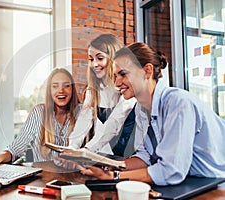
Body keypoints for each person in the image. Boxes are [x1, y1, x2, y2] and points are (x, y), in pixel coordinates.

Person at [78, 42, 225, 186]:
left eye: (123, 74)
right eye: (116, 76)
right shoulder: (141, 109)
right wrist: (114, 166)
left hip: (215, 184)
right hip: (190, 182)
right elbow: (145, 156)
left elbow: (171, 171)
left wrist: (113, 177)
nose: (117, 83)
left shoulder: (178, 103)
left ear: (147, 71)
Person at [0, 68, 80, 166]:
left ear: (72, 89)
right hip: (42, 179)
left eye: (66, 85)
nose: (61, 90)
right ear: (49, 91)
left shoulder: (82, 115)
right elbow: (16, 149)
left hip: (74, 179)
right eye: (55, 86)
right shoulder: (39, 113)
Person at [67, 34, 136, 156]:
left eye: (100, 58)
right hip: (105, 157)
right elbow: (83, 122)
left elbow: (114, 124)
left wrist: (88, 150)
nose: (94, 64)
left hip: (129, 157)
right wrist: (71, 147)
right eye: (91, 59)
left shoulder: (128, 88)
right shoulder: (93, 90)